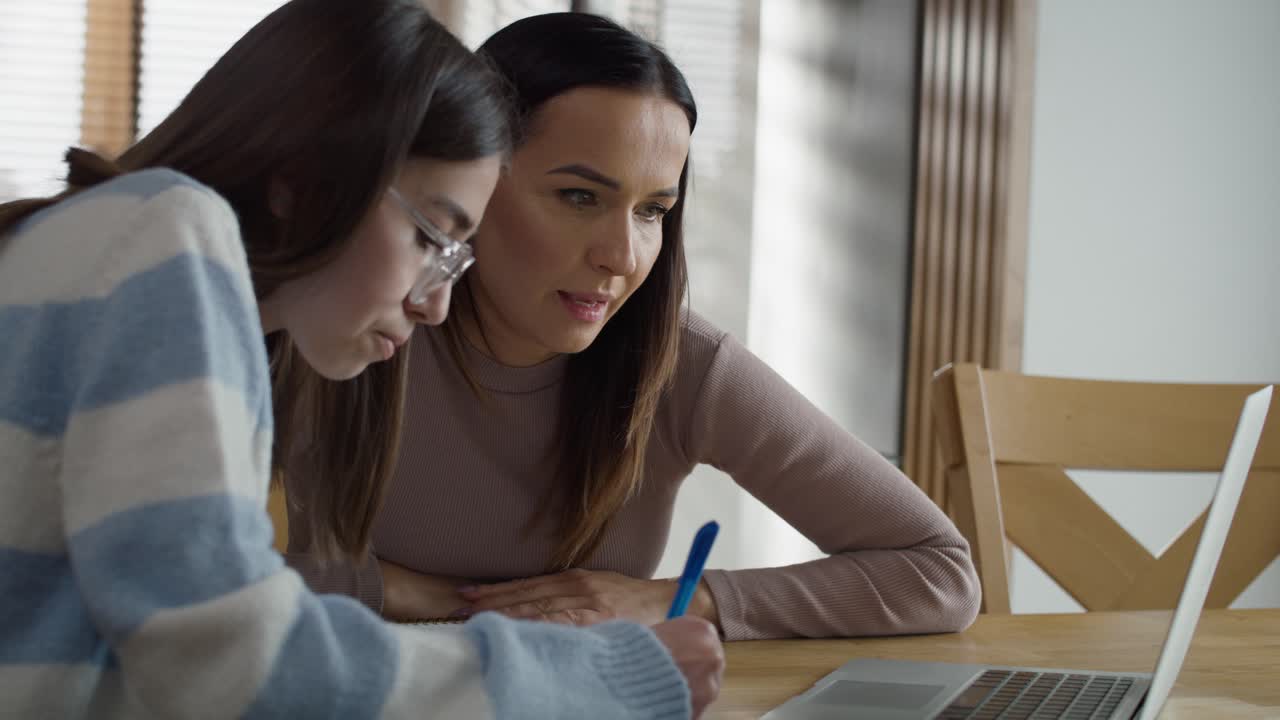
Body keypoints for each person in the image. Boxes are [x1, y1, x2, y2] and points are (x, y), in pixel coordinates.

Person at [0, 1, 723, 718]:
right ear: (307, 185)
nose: (434, 302)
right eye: (430, 237)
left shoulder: (81, 242)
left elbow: (147, 661)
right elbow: (237, 669)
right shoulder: (168, 241)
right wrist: (608, 675)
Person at [282, 11, 981, 642]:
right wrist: (425, 594)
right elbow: (193, 563)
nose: (621, 256)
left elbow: (940, 572)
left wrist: (681, 599)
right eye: (579, 196)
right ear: (473, 178)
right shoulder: (349, 321)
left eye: (653, 211)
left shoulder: (681, 362)